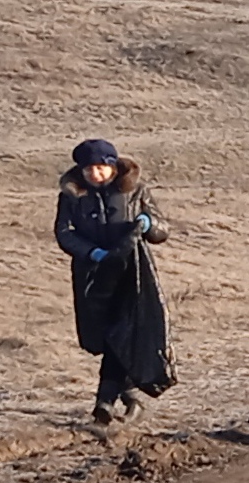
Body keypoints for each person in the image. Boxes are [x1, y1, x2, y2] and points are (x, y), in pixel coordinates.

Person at [54, 138, 175, 426]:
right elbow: (63, 232)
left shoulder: (136, 191)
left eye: (100, 168)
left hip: (131, 274)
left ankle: (105, 400)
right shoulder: (72, 196)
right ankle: (130, 396)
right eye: (88, 170)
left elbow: (163, 229)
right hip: (92, 275)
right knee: (106, 335)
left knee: (124, 332)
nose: (94, 175)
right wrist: (91, 253)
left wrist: (148, 224)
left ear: (111, 167)